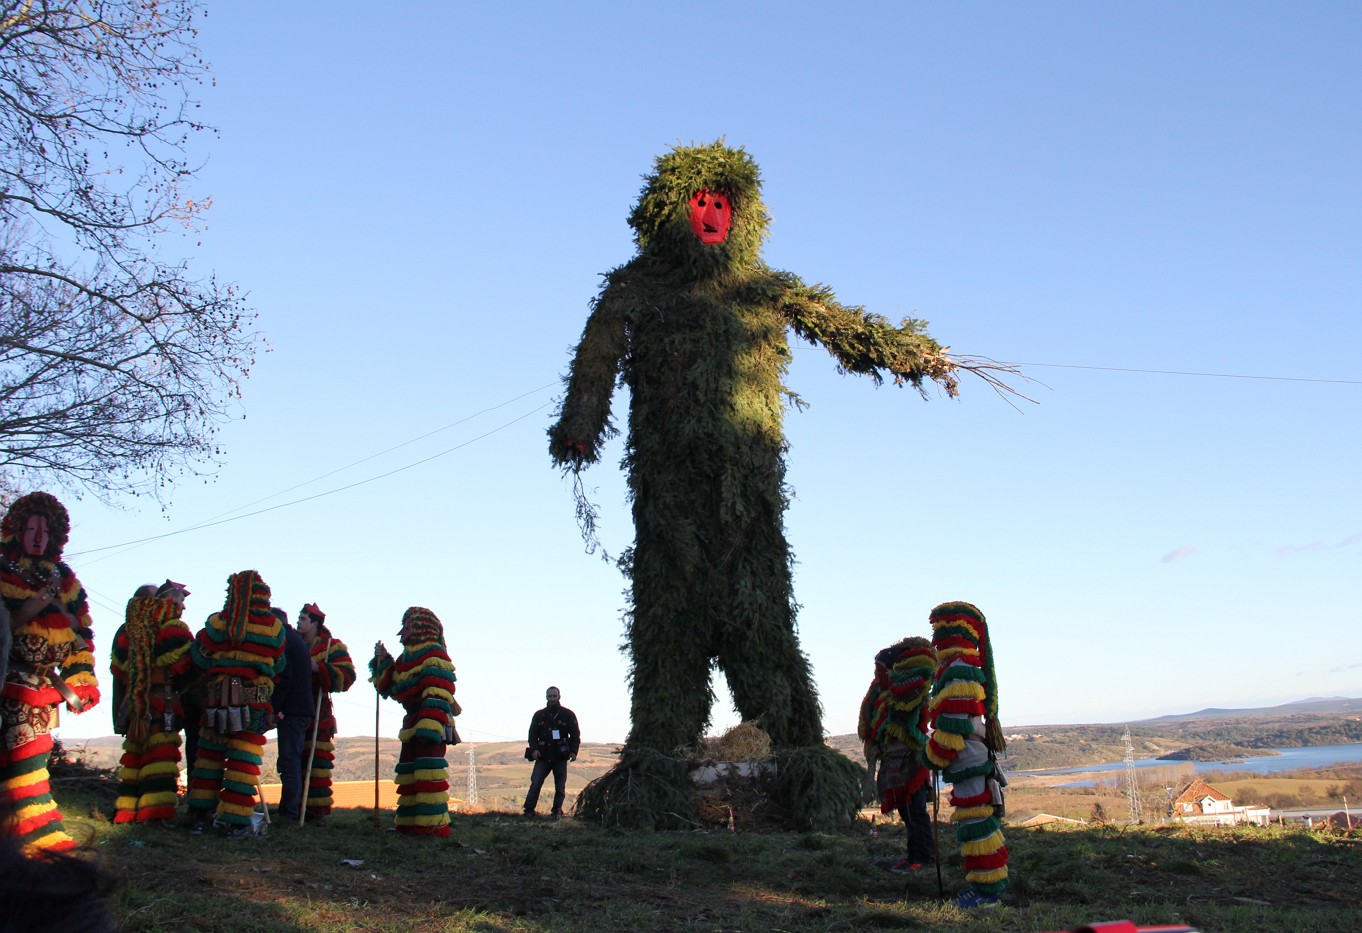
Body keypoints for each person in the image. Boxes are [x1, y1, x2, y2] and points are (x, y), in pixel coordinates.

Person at [0, 492, 100, 854]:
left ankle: (29, 832)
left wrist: (82, 679)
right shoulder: (1, 569)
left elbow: (80, 636)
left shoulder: (64, 579)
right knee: (20, 761)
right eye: (30, 528)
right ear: (16, 529)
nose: (38, 537)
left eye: (46, 530)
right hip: (9, 680)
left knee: (32, 758)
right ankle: (35, 834)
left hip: (45, 688)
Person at [186, 570, 285, 836]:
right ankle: (235, 820)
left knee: (209, 756)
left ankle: (199, 816)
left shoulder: (218, 623)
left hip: (220, 694)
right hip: (256, 696)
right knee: (243, 760)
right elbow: (279, 663)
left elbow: (201, 658)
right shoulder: (274, 627)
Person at [923, 601, 1009, 909]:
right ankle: (983, 886)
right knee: (975, 823)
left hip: (968, 757)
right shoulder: (958, 666)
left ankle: (988, 894)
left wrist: (934, 754)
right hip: (969, 757)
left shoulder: (958, 667)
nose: (936, 636)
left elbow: (956, 720)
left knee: (977, 823)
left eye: (940, 628)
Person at [109, 582, 194, 824]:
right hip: (161, 701)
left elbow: (117, 668)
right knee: (160, 755)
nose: (183, 607)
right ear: (168, 601)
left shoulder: (128, 631)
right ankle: (154, 814)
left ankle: (126, 811)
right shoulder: (171, 628)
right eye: (180, 601)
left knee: (135, 757)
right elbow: (185, 665)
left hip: (135, 704)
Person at [371, 606, 459, 837]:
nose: (402, 632)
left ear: (422, 627)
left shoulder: (434, 654)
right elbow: (392, 686)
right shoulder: (406, 657)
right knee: (410, 771)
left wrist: (429, 723)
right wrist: (384, 661)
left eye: (408, 625)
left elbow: (439, 689)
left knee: (428, 771)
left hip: (429, 720)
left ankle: (432, 825)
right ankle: (409, 823)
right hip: (411, 720)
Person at [858, 636, 937, 872]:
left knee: (915, 812)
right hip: (894, 762)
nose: (877, 674)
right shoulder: (884, 697)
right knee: (907, 812)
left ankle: (922, 858)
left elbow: (913, 728)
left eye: (880, 669)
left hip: (911, 762)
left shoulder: (909, 696)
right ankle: (915, 854)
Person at [296, 603, 355, 822]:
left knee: (317, 762)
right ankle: (293, 806)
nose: (298, 622)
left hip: (317, 711)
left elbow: (347, 677)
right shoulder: (291, 642)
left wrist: (319, 668)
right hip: (293, 710)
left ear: (315, 623)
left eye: (303, 618)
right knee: (292, 761)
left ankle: (315, 811)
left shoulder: (332, 647)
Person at [271, 607, 311, 823]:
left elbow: (285, 675)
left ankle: (289, 812)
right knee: (290, 759)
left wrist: (275, 707)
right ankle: (288, 809)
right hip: (299, 709)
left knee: (289, 760)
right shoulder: (296, 639)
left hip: (292, 710)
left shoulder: (285, 639)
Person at [523, 686, 580, 818]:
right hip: (543, 756)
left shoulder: (568, 715)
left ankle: (557, 810)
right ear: (546, 697)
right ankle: (528, 810)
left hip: (560, 756)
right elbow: (532, 735)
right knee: (536, 783)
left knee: (560, 786)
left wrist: (573, 751)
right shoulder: (539, 715)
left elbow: (575, 735)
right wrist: (535, 750)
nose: (552, 699)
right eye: (550, 696)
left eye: (555, 696)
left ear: (559, 696)